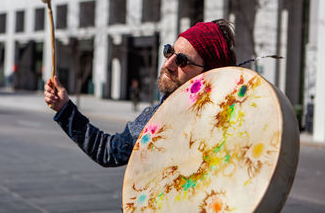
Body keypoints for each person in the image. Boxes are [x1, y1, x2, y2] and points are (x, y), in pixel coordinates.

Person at [44, 19, 236, 167]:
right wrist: (65, 108)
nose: (168, 64)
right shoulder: (154, 118)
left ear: (210, 74)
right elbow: (108, 151)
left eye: (183, 61)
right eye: (170, 52)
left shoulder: (233, 127)